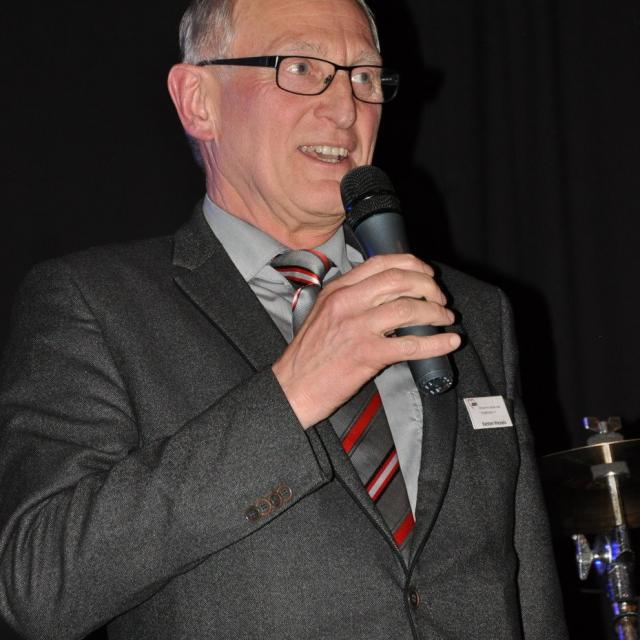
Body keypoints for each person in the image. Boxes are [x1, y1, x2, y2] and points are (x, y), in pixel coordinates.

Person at [0, 0, 567, 638]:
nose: (346, 108)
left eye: (364, 76)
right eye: (300, 67)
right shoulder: (94, 303)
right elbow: (37, 587)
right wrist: (292, 391)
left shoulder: (470, 309)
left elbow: (528, 587)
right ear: (198, 101)